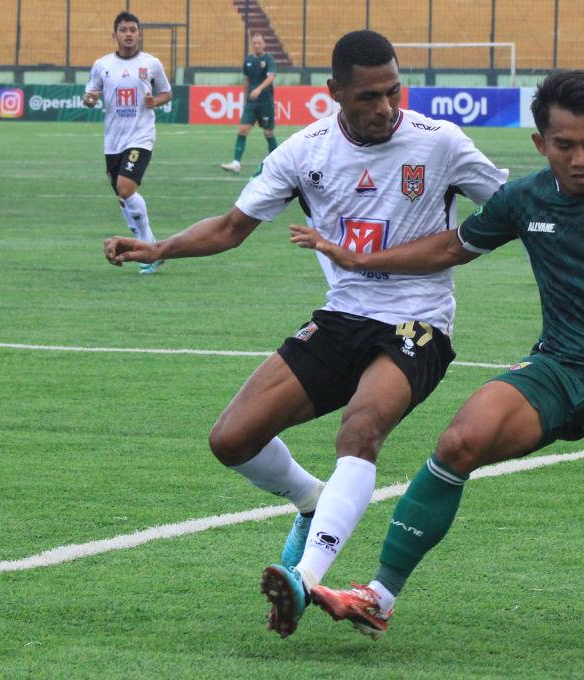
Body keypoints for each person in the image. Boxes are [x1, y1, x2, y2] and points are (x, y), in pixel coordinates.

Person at [289, 70, 584, 662]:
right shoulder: (524, 197)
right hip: (555, 366)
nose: (580, 158)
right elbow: (451, 246)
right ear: (540, 144)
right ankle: (379, 597)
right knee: (458, 440)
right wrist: (359, 259)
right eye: (565, 145)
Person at [103, 30, 508, 638]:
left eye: (393, 91)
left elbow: (514, 210)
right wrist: (159, 247)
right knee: (231, 439)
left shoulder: (439, 143)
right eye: (369, 96)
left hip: (418, 321)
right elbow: (232, 228)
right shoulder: (305, 151)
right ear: (335, 92)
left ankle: (306, 574)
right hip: (342, 316)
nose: (385, 107)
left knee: (361, 429)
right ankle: (311, 500)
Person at [84, 11, 173, 275]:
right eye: (124, 30)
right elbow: (90, 93)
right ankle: (150, 249)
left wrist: (155, 101)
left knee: (125, 188)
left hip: (140, 136)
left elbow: (166, 92)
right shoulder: (102, 65)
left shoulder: (151, 64)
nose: (129, 34)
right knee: (123, 198)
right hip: (113, 140)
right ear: (115, 35)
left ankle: (150, 249)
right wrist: (89, 99)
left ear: (139, 33)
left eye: (133, 30)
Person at [220, 33, 277, 174]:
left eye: (259, 42)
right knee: (242, 130)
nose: (257, 45)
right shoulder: (248, 60)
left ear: (264, 44)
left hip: (265, 102)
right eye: (255, 43)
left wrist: (258, 89)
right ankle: (236, 163)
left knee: (268, 132)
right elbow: (246, 80)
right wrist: (246, 97)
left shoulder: (268, 59)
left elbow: (271, 78)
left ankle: (278, 163)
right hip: (251, 103)